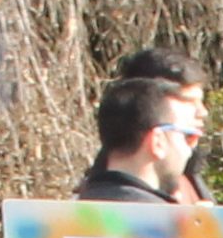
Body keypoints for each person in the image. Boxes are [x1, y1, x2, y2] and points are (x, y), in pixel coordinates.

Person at [78, 75, 200, 207]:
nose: (190, 150)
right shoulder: (167, 224)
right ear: (158, 142)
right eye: (188, 136)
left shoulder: (64, 216)